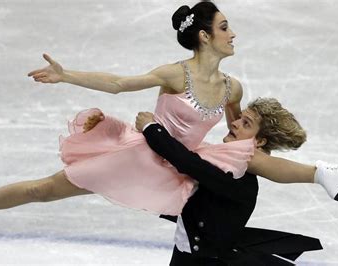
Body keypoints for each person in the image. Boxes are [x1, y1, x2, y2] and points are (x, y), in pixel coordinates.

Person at [0, 1, 338, 226]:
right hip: (145, 155)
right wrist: (66, 75)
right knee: (43, 189)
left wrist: (263, 139)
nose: (233, 33)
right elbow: (119, 84)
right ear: (202, 37)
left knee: (248, 160)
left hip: (183, 165)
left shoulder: (234, 87)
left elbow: (238, 142)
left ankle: (325, 175)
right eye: (223, 27)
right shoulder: (175, 74)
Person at [135, 97, 323, 265]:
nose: (234, 123)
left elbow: (186, 162)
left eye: (246, 123)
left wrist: (151, 128)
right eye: (239, 117)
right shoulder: (223, 162)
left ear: (260, 142)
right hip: (187, 254)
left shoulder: (238, 180)